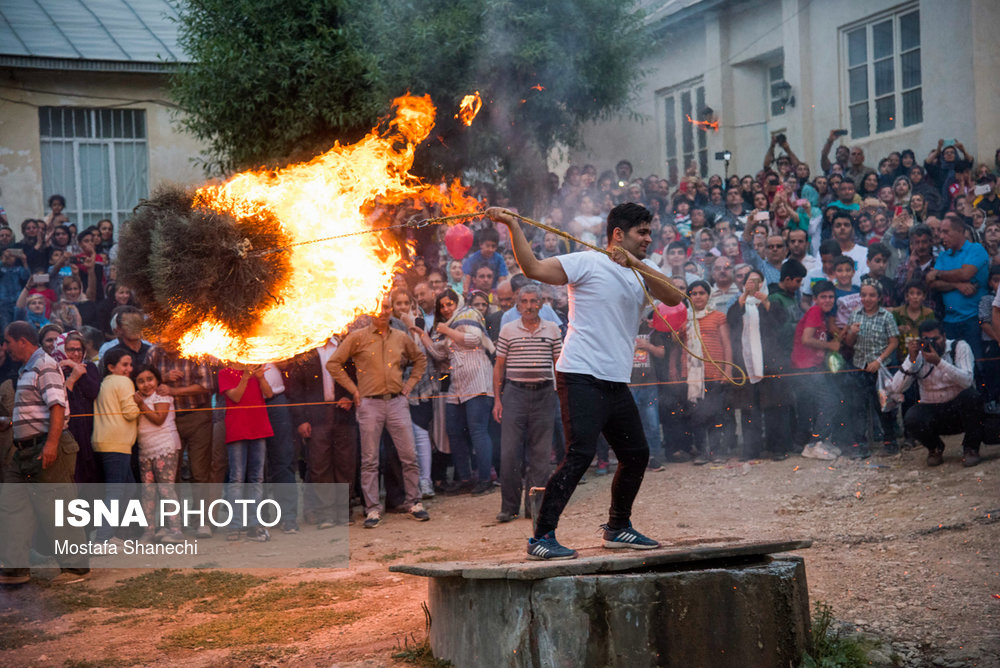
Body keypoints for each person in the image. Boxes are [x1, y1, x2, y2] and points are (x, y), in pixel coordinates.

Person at [487, 202, 682, 560]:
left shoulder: (645, 269)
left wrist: (636, 264)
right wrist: (514, 225)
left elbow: (674, 297)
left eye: (650, 232)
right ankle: (541, 537)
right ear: (618, 235)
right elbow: (532, 267)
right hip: (579, 373)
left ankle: (617, 527)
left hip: (614, 379)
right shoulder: (586, 261)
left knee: (636, 454)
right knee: (579, 453)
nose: (648, 239)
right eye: (642, 232)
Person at [327, 295, 430, 528]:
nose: (383, 312)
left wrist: (409, 386)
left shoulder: (401, 337)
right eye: (379, 308)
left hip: (396, 402)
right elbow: (333, 363)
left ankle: (415, 502)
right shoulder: (358, 337)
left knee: (409, 456)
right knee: (370, 460)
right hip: (369, 404)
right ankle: (372, 509)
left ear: (391, 309)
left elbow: (420, 359)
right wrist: (353, 390)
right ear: (371, 311)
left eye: (386, 307)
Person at [0, 321, 90, 585]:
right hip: (25, 450)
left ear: (22, 341)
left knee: (57, 509)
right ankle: (16, 568)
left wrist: (51, 444)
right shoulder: (27, 368)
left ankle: (76, 569)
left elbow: (57, 406)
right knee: (12, 504)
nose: (5, 346)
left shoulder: (44, 365)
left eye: (8, 341)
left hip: (47, 446)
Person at [492, 284, 562, 523]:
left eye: (534, 301)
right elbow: (499, 366)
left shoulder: (552, 329)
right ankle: (509, 507)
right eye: (525, 301)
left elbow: (558, 364)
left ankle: (535, 507)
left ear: (541, 303)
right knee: (509, 453)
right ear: (517, 304)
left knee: (541, 456)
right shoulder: (508, 330)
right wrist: (498, 400)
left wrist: (559, 392)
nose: (530, 306)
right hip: (514, 394)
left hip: (544, 395)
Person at [415, 289, 495, 496]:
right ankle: (465, 478)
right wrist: (419, 332)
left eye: (449, 304)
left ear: (457, 302)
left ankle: (485, 479)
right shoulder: (446, 327)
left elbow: (474, 340)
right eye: (442, 306)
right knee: (454, 430)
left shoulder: (469, 313)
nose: (446, 309)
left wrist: (447, 331)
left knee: (478, 431)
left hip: (478, 380)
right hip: (457, 385)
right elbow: (436, 351)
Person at [888, 320, 983, 467]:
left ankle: (971, 448)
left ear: (944, 336)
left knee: (972, 397)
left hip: (959, 409)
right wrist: (911, 361)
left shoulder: (959, 347)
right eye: (927, 340)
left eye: (936, 339)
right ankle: (935, 448)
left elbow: (967, 381)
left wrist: (939, 362)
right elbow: (896, 388)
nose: (932, 343)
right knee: (912, 417)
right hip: (933, 410)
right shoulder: (918, 354)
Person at [145, 343, 216, 536]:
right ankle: (171, 522)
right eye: (163, 337)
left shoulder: (196, 351)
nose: (166, 341)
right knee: (169, 472)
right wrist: (162, 379)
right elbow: (143, 381)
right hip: (167, 417)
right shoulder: (154, 353)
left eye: (170, 337)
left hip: (197, 415)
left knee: (199, 469)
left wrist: (175, 391)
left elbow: (206, 385)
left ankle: (202, 521)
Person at [671, 280, 733, 464]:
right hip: (690, 373)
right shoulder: (683, 318)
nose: (698, 296)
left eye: (701, 293)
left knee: (715, 413)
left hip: (714, 372)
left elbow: (727, 344)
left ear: (708, 295)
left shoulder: (718, 317)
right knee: (695, 415)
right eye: (694, 293)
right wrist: (672, 367)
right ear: (689, 297)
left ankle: (716, 451)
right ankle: (701, 452)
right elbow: (676, 345)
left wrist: (728, 369)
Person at [843, 280, 900, 457]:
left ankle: (889, 441)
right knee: (857, 406)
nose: (867, 299)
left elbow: (893, 341)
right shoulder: (855, 315)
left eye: (872, 295)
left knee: (883, 405)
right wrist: (851, 332)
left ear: (879, 297)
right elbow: (849, 344)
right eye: (864, 295)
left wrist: (879, 360)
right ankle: (859, 443)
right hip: (859, 366)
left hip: (880, 369)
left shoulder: (886, 316)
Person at [218, 364, 273, 541]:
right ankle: (235, 524)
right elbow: (235, 396)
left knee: (256, 477)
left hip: (259, 426)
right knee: (237, 478)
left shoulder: (256, 372)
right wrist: (246, 377)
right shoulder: (225, 373)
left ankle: (254, 522)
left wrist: (261, 378)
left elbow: (269, 394)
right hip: (237, 429)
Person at [91, 348, 141, 543]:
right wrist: (139, 403)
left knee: (129, 489)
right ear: (111, 367)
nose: (129, 368)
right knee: (116, 491)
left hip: (103, 440)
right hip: (117, 442)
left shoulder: (104, 382)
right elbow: (130, 413)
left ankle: (107, 534)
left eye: (130, 364)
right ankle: (102, 538)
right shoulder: (124, 382)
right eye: (124, 365)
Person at [132, 365, 184, 544]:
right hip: (145, 449)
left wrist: (141, 405)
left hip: (165, 447)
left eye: (150, 379)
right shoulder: (137, 399)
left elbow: (158, 418)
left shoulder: (162, 395)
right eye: (141, 381)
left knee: (166, 489)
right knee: (147, 492)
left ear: (157, 380)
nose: (146, 384)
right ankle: (149, 531)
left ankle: (175, 530)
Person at [926, 215, 989, 360]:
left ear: (960, 231)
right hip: (949, 321)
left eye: (946, 232)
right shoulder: (943, 256)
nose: (941, 236)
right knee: (951, 365)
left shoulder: (976, 249)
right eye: (940, 232)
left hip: (974, 319)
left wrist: (938, 273)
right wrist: (957, 284)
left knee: (976, 364)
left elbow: (965, 273)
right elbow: (932, 284)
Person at [791, 281, 842, 458]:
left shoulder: (823, 315)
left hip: (813, 366)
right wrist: (830, 345)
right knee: (830, 401)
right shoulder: (815, 311)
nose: (828, 300)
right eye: (823, 297)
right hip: (806, 367)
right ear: (814, 299)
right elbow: (806, 339)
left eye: (831, 297)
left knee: (823, 402)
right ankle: (814, 443)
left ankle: (820, 441)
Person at [59, 331, 101, 484]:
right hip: (69, 430)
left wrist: (79, 371)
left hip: (89, 429)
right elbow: (62, 402)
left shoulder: (89, 367)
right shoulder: (57, 371)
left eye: (79, 350)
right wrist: (72, 377)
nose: (75, 353)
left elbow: (93, 392)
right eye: (71, 350)